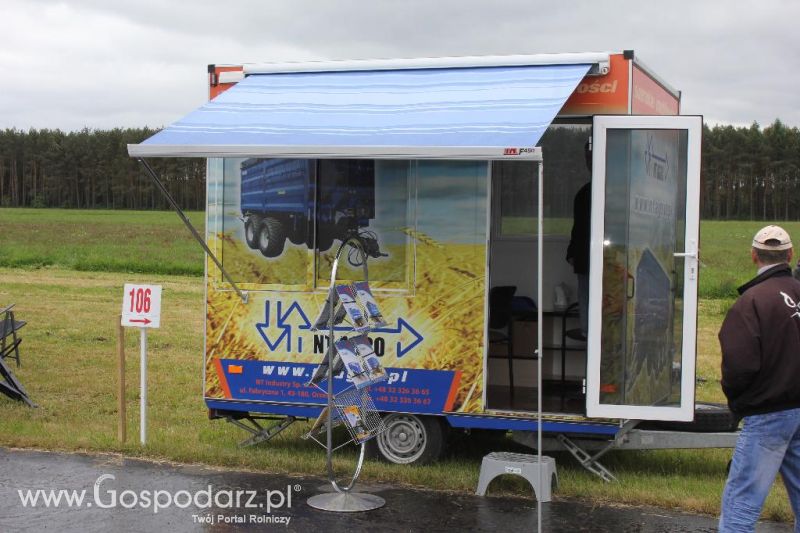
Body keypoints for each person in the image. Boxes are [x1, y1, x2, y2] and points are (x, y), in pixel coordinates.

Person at [718, 225, 800, 532]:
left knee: (742, 502)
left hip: (768, 415)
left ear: (754, 255)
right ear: (790, 255)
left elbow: (739, 367)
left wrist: (739, 404)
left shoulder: (751, 302)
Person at [565, 140, 592, 339]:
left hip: (610, 261)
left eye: (591, 156)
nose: (589, 161)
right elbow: (579, 228)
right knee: (586, 296)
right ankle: (587, 332)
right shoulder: (584, 194)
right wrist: (572, 252)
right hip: (585, 258)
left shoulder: (615, 192)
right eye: (587, 157)